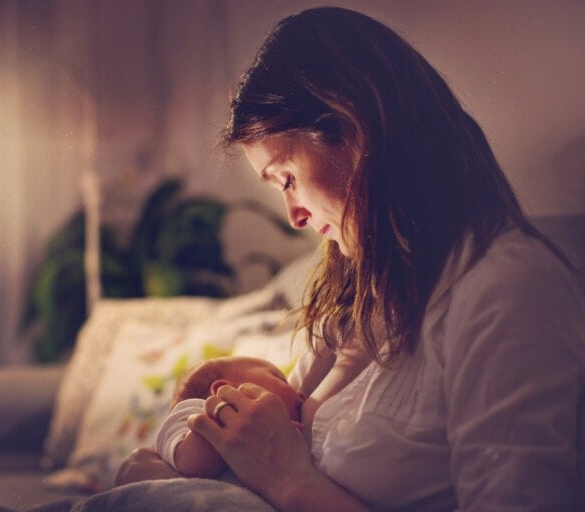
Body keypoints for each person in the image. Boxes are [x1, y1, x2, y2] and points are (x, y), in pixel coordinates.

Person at [119, 6, 585, 511]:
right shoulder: (356, 293)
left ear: (354, 128)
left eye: (288, 178)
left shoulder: (508, 290)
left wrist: (290, 482)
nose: (293, 215)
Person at [153, 356, 305, 480]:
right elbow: (189, 460)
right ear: (225, 390)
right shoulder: (190, 413)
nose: (300, 393)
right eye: (280, 379)